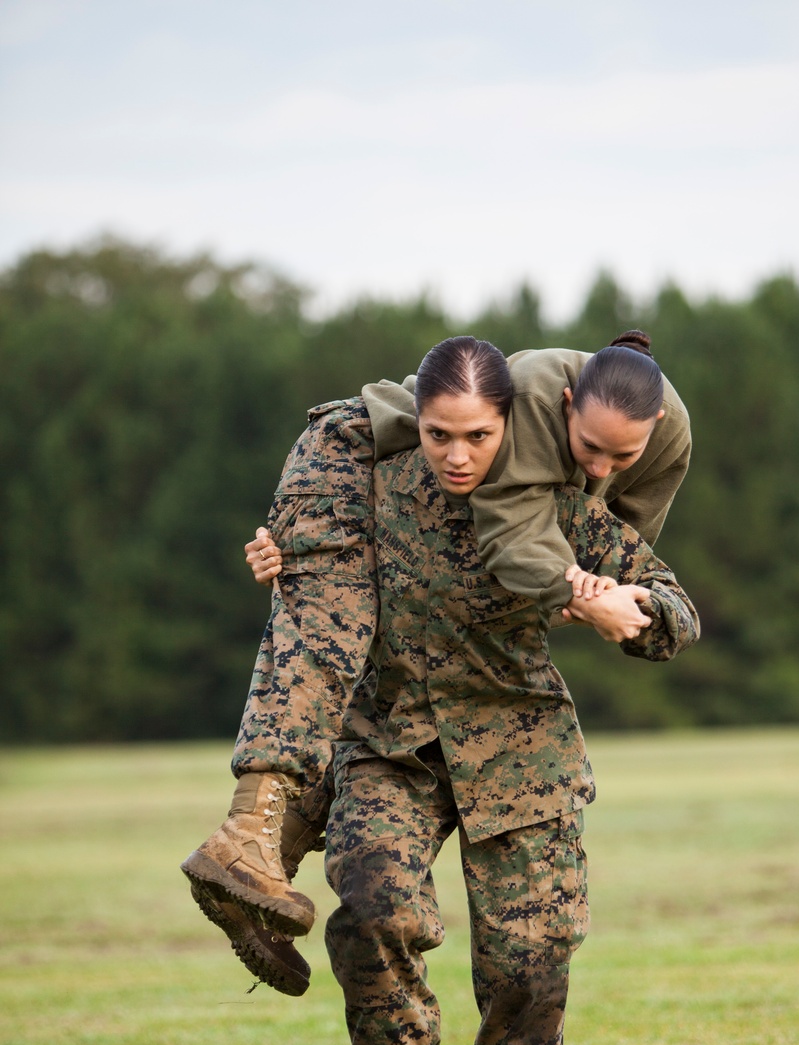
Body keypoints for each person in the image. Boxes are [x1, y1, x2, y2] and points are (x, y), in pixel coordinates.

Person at [181, 333, 691, 993]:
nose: (599, 467)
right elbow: (513, 545)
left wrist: (605, 588)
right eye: (588, 448)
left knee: (389, 691)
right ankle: (248, 834)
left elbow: (607, 528)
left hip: (471, 662)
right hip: (348, 448)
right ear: (564, 408)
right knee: (335, 643)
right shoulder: (523, 406)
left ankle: (255, 868)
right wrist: (299, 555)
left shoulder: (657, 442)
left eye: (620, 455)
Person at [320, 336, 699, 1045]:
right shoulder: (376, 495)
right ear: (418, 423)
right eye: (439, 433)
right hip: (392, 741)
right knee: (371, 905)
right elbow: (313, 580)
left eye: (479, 436)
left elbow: (671, 598)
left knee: (532, 961)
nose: (459, 454)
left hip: (517, 743)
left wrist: (633, 614)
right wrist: (274, 557)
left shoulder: (565, 512)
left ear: (513, 421)